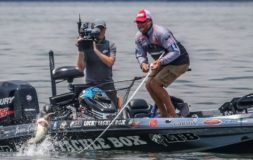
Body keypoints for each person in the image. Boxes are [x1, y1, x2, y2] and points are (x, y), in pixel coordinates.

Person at [134, 9, 190, 117]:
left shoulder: (161, 33)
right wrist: (143, 64)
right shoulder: (138, 37)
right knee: (148, 84)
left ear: (150, 21)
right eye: (138, 22)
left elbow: (176, 51)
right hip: (163, 62)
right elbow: (140, 54)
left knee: (155, 84)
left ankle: (173, 115)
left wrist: (160, 61)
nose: (140, 25)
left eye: (142, 22)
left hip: (180, 61)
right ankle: (163, 113)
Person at [76, 19, 120, 110]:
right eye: (97, 29)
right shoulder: (87, 45)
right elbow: (80, 68)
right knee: (89, 108)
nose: (100, 31)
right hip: (91, 85)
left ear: (105, 30)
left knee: (112, 109)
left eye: (101, 29)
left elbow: (110, 63)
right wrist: (81, 50)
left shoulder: (110, 45)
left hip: (107, 85)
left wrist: (95, 50)